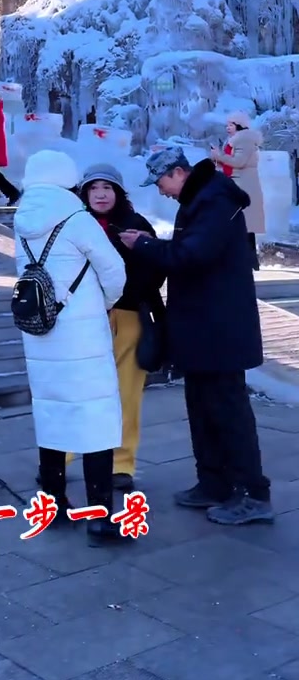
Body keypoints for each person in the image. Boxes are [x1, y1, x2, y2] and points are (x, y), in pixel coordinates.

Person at [120, 145, 272, 526]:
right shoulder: (201, 199)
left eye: (159, 182)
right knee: (202, 409)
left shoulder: (215, 200)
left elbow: (193, 256)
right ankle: (214, 483)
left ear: (177, 172)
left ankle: (253, 494)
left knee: (228, 412)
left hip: (221, 330)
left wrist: (146, 245)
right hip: (203, 329)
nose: (160, 191)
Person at [15, 151, 127, 545]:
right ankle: (100, 517)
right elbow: (113, 271)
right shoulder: (77, 219)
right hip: (82, 334)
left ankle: (53, 503)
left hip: (40, 333)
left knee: (51, 415)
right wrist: (104, 303)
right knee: (95, 418)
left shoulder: (21, 220)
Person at [79, 164, 164, 490]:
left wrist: (121, 295)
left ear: (119, 192)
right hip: (86, 321)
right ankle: (68, 455)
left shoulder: (136, 225)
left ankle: (121, 463)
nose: (101, 194)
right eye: (94, 188)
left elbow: (155, 273)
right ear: (84, 193)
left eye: (108, 187)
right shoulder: (76, 225)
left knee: (126, 393)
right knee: (85, 391)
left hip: (127, 317)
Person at [210, 111, 264, 271]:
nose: (228, 128)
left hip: (244, 185)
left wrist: (219, 156)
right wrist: (217, 159)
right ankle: (246, 259)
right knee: (240, 223)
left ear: (239, 125)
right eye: (227, 124)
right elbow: (231, 163)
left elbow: (239, 162)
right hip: (236, 183)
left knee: (243, 223)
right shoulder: (235, 140)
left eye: (231, 124)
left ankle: (249, 260)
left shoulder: (245, 139)